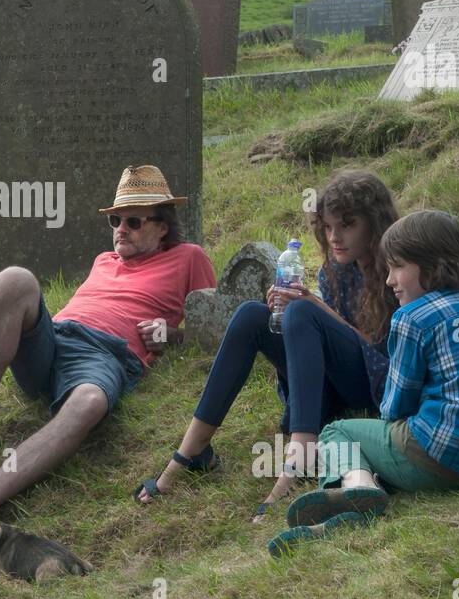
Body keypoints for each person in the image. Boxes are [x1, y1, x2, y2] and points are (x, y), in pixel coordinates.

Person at [0, 165, 216, 552]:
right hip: (57, 338)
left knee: (91, 401)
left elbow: (213, 328)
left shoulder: (188, 257)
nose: (120, 229)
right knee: (14, 278)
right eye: (115, 219)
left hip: (105, 355)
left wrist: (173, 334)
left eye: (133, 221)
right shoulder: (104, 260)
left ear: (163, 226)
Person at [134, 169, 400, 522]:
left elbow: (382, 356)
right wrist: (284, 313)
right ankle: (192, 449)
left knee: (304, 308)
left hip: (371, 385)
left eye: (347, 225)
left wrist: (313, 308)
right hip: (329, 382)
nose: (335, 237)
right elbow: (321, 337)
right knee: (251, 315)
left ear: (374, 224)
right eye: (328, 227)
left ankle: (298, 461)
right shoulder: (333, 271)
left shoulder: (397, 270)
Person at [268, 209, 459, 556]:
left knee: (338, 433)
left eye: (398, 267)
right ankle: (351, 508)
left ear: (434, 264)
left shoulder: (413, 317)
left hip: (440, 459)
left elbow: (394, 408)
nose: (389, 280)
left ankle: (358, 488)